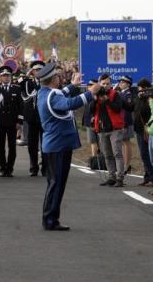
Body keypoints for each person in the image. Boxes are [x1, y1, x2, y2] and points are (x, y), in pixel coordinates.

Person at [36, 63, 101, 230]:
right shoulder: (51, 96)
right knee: (56, 184)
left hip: (55, 145)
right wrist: (90, 93)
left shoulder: (45, 93)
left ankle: (51, 218)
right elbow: (68, 104)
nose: (60, 78)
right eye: (58, 76)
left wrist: (74, 85)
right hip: (58, 145)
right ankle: (50, 220)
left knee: (55, 183)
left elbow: (62, 95)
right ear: (53, 80)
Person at [91, 74, 125, 187]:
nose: (105, 86)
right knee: (107, 154)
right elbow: (90, 111)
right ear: (99, 84)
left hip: (115, 128)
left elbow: (118, 108)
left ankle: (120, 178)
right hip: (102, 128)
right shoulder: (96, 95)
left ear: (111, 84)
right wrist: (95, 99)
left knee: (117, 153)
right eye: (103, 83)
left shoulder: (115, 94)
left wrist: (107, 100)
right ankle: (111, 177)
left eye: (108, 84)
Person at [20, 61, 47, 176]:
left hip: (45, 117)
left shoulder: (47, 82)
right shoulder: (27, 82)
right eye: (36, 70)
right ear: (33, 71)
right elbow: (21, 88)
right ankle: (33, 166)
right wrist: (27, 74)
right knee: (32, 144)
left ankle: (45, 167)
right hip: (31, 117)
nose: (38, 72)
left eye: (40, 70)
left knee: (45, 143)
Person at [134, 78, 153, 187]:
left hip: (147, 129)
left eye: (141, 89)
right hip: (139, 129)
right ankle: (147, 176)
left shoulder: (150, 98)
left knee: (147, 154)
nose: (140, 91)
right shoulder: (139, 98)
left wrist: (144, 98)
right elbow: (133, 108)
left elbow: (146, 111)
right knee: (143, 154)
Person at [118, 75, 135, 175]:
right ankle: (125, 164)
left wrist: (124, 123)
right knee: (124, 143)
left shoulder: (128, 94)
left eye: (123, 82)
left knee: (126, 142)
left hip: (126, 121)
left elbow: (127, 110)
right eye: (120, 82)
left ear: (128, 84)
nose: (120, 83)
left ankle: (127, 165)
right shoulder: (122, 93)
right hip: (122, 121)